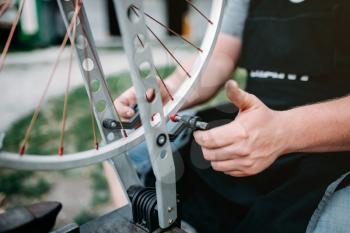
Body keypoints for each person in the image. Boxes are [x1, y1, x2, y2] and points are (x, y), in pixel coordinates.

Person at [114, 0, 350, 232]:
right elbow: (222, 54)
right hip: (250, 124)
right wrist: (174, 89)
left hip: (330, 146)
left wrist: (283, 131)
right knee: (121, 146)